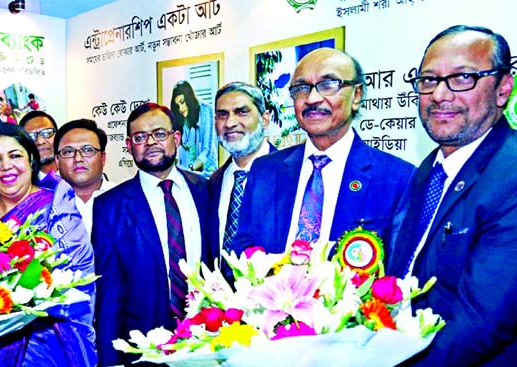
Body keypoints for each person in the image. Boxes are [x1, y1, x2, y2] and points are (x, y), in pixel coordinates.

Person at [356, 25, 517, 367]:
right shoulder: (430, 169)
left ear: (503, 88)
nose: (440, 95)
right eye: (429, 80)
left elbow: (482, 321)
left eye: (463, 77)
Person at [93, 103, 226, 367]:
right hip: (142, 353)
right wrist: (110, 362)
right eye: (139, 137)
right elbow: (108, 289)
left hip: (204, 348)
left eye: (159, 133)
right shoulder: (110, 205)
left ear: (176, 138)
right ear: (129, 146)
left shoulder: (205, 189)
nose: (150, 142)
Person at [0, 122, 96, 367]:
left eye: (15, 155)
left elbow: (78, 280)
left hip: (44, 346)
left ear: (31, 159)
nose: (6, 166)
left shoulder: (56, 207)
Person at [234, 48, 415, 257]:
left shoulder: (397, 179)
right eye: (301, 88)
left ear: (357, 95)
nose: (312, 99)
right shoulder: (265, 171)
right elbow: (241, 252)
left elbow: (399, 268)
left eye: (328, 84)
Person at [206, 81, 275, 275]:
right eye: (222, 114)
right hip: (218, 301)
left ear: (264, 119)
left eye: (242, 112)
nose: (230, 123)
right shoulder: (212, 183)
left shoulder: (290, 177)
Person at [53, 118, 116, 236]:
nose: (78, 159)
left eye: (87, 150)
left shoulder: (123, 199)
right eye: (68, 152)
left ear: (102, 158)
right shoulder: (45, 203)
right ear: (57, 160)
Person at [170, 80, 218, 175]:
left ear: (189, 98)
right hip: (185, 171)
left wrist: (190, 169)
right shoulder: (179, 117)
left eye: (182, 102)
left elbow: (207, 150)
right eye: (177, 105)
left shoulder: (206, 110)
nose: (180, 108)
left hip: (206, 172)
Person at [20, 110, 59, 177]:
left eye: (47, 133)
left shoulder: (77, 172)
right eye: (31, 136)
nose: (40, 141)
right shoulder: (23, 183)